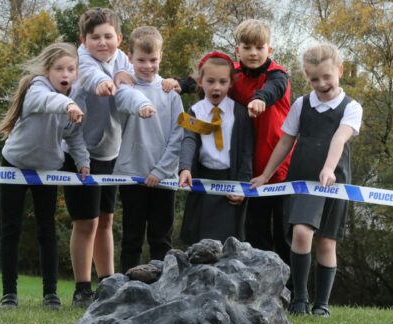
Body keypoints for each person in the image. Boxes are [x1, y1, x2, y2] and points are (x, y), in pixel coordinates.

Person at [250, 43, 363, 317]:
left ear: (340, 70)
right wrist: (265, 174)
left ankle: (321, 304)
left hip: (333, 181)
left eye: (327, 77)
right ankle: (299, 297)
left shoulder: (352, 107)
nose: (321, 84)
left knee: (326, 242)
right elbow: (286, 139)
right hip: (302, 180)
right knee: (301, 232)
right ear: (307, 78)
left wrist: (328, 168)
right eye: (314, 79)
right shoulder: (301, 104)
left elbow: (339, 137)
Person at [61, 8, 151, 307]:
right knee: (85, 221)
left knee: (106, 219)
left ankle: (108, 283)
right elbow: (89, 77)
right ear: (83, 40)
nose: (102, 42)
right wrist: (102, 83)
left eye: (108, 36)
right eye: (95, 37)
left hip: (111, 151)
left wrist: (140, 100)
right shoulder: (82, 61)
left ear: (119, 38)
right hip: (79, 151)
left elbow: (132, 84)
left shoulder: (123, 60)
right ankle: (82, 288)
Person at [0, 42, 90, 310]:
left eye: (71, 69)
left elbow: (74, 135)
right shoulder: (37, 88)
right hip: (14, 163)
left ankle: (51, 294)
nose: (65, 74)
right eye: (59, 68)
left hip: (47, 170)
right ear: (48, 71)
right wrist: (68, 103)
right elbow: (48, 102)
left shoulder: (75, 98)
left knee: (46, 229)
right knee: (10, 228)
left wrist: (83, 161)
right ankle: (8, 294)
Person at [113, 26, 184, 272]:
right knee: (131, 238)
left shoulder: (171, 93)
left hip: (164, 179)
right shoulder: (124, 89)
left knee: (160, 240)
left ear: (160, 57)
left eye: (153, 60)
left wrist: (161, 171)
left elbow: (179, 135)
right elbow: (125, 103)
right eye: (141, 60)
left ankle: (162, 289)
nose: (147, 65)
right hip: (132, 174)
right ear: (129, 57)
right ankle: (123, 289)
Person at [228, 19, 292, 266]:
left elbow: (272, 89)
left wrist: (259, 99)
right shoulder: (233, 74)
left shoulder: (278, 75)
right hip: (251, 171)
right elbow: (207, 76)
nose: (253, 53)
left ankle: (294, 294)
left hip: (281, 169)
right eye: (247, 47)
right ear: (238, 50)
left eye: (259, 47)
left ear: (269, 50)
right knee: (255, 233)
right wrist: (182, 84)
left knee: (284, 234)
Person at [178, 51, 254, 244]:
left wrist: (242, 185)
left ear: (230, 83)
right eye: (210, 81)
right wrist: (185, 167)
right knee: (199, 243)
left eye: (222, 82)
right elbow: (189, 140)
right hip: (202, 184)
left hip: (229, 185)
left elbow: (246, 152)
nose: (216, 87)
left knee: (227, 245)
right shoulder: (195, 111)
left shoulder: (240, 113)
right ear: (201, 81)